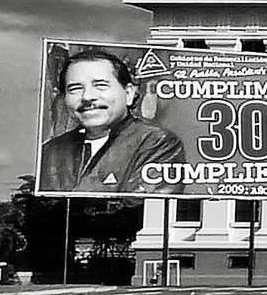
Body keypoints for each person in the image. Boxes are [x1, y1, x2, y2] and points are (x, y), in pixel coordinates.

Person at [37, 48, 185, 195]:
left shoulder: (157, 143)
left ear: (129, 93)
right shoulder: (51, 152)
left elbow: (142, 209)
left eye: (100, 85)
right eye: (75, 88)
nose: (87, 96)